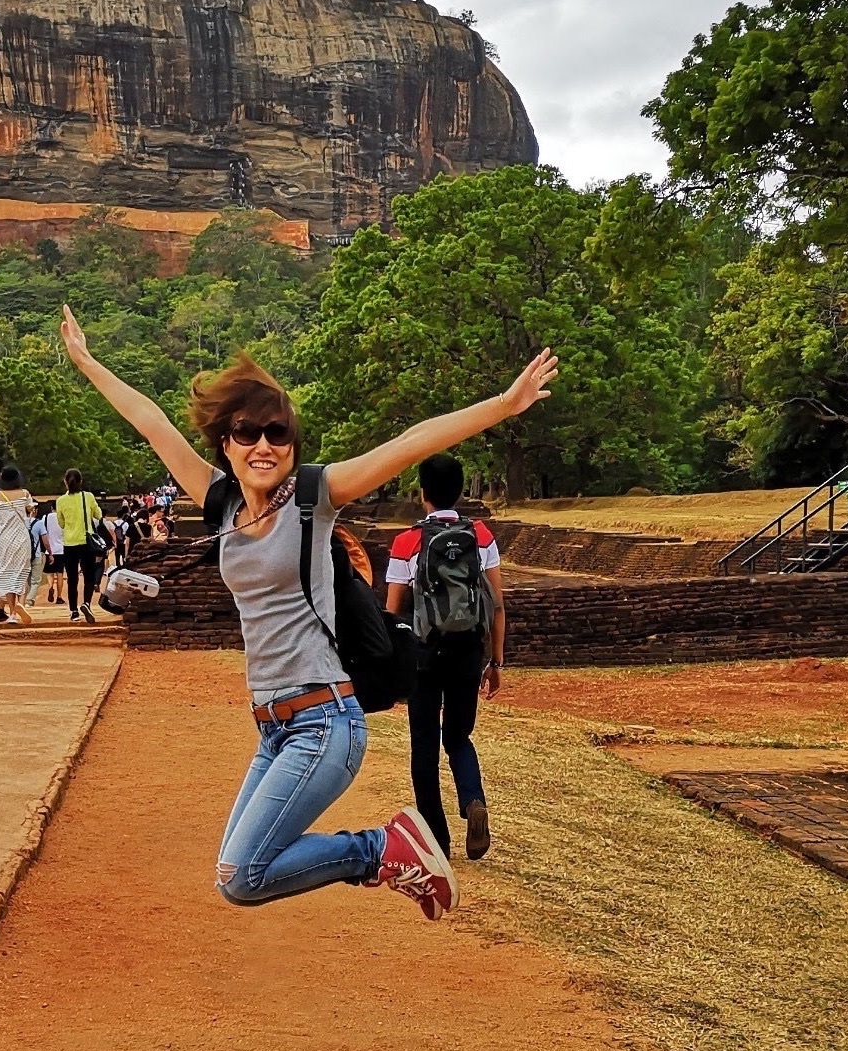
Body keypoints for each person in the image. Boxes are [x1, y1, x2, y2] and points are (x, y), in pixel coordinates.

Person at [62, 307, 557, 917]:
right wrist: (87, 362)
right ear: (226, 442)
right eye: (248, 432)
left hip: (324, 721)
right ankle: (381, 851)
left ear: (293, 446)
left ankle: (378, 850)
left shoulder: (313, 498)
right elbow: (151, 422)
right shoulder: (218, 502)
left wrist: (503, 406)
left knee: (244, 875)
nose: (263, 445)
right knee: (233, 874)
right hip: (272, 726)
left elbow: (406, 445)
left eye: (278, 434)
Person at [384, 453, 506, 861]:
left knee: (424, 746)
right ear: (459, 491)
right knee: (457, 736)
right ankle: (473, 801)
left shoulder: (408, 541)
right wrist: (496, 661)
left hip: (424, 652)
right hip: (468, 650)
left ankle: (437, 840)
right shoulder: (481, 536)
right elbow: (498, 605)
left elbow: (392, 610)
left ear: (424, 494)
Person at [0, 464, 37, 626]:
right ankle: (20, 605)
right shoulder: (24, 494)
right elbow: (31, 510)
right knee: (23, 570)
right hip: (22, 538)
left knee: (8, 572)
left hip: (4, 539)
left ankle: (11, 613)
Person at [56, 467, 105, 623]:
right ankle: (86, 603)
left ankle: (73, 611)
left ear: (65, 482)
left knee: (72, 578)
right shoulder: (88, 497)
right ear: (81, 481)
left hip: (69, 543)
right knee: (89, 576)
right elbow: (99, 515)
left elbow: (61, 523)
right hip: (86, 541)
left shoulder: (61, 501)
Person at [40, 502, 67, 604]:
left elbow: (43, 532)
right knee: (60, 574)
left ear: (51, 508)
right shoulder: (63, 518)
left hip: (49, 550)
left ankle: (51, 587)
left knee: (50, 573)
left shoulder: (45, 517)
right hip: (61, 549)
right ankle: (59, 596)